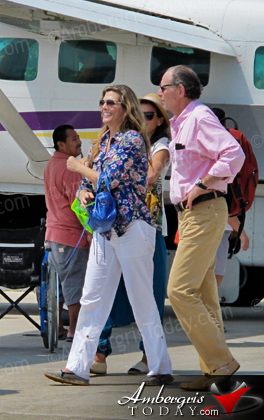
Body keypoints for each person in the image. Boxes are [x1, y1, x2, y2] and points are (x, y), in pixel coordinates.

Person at [44, 85, 173, 386]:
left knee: (142, 300)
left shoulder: (131, 140)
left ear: (124, 108)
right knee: (91, 299)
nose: (104, 106)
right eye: (102, 101)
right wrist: (85, 191)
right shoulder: (103, 140)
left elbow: (108, 177)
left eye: (111, 102)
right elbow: (93, 182)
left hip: (132, 228)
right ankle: (77, 367)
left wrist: (77, 167)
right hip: (106, 231)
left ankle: (160, 366)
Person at [158, 65, 244, 391]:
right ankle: (214, 370)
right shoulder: (183, 122)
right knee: (205, 295)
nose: (160, 92)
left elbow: (231, 154)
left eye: (164, 86)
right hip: (195, 215)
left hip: (203, 212)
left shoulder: (198, 118)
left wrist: (202, 184)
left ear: (180, 90)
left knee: (179, 291)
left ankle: (221, 363)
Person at [90, 93, 172, 376]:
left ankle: (150, 357)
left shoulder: (158, 145)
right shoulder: (114, 141)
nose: (145, 120)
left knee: (150, 293)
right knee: (105, 294)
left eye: (151, 116)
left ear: (160, 120)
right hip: (113, 225)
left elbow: (150, 174)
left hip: (149, 226)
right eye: (143, 114)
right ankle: (99, 354)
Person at [44, 124, 90, 343]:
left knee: (58, 286)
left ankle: (58, 328)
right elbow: (80, 205)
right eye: (74, 139)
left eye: (78, 136)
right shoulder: (71, 168)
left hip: (53, 234)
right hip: (71, 235)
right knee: (74, 285)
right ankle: (74, 330)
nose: (79, 141)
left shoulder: (51, 164)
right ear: (61, 144)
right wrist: (90, 232)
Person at [209, 108, 250, 288]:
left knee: (212, 272)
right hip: (215, 227)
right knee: (216, 273)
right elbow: (225, 209)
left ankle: (207, 310)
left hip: (206, 226)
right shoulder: (228, 146)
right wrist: (242, 234)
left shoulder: (206, 147)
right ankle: (207, 310)